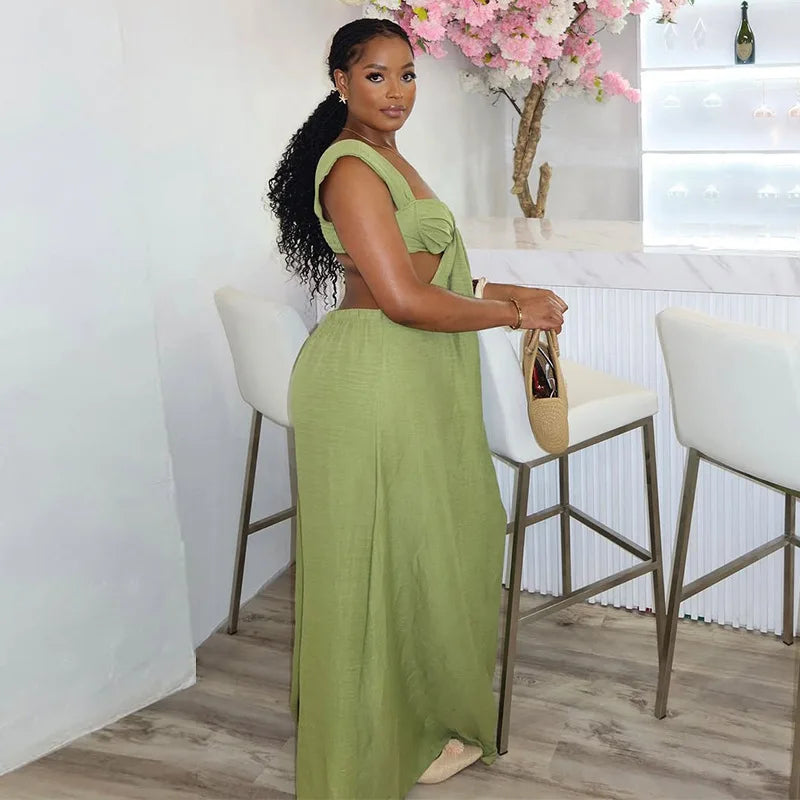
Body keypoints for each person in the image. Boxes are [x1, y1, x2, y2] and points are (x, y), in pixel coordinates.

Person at [267, 17, 567, 800]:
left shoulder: (386, 156)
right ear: (339, 79)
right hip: (371, 383)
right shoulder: (352, 169)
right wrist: (511, 316)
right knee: (373, 569)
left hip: (405, 377)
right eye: (376, 75)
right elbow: (400, 300)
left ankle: (417, 717)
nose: (396, 92)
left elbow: (406, 276)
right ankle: (369, 743)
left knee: (433, 547)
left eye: (407, 75)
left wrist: (509, 292)